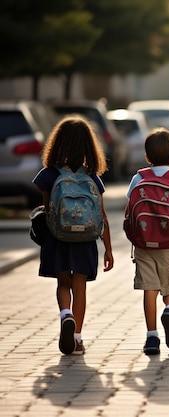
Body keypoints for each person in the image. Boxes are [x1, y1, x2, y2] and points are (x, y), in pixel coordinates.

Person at [33, 115, 114, 355]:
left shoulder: (49, 175)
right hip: (85, 239)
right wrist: (108, 248)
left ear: (57, 143)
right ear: (89, 146)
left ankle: (65, 314)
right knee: (80, 286)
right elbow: (102, 216)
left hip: (58, 238)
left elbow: (48, 211)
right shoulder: (92, 178)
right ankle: (77, 337)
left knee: (63, 283)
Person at [125, 128, 169, 355]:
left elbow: (129, 212)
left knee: (149, 288)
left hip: (144, 244)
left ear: (147, 156)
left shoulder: (139, 178)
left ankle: (152, 336)